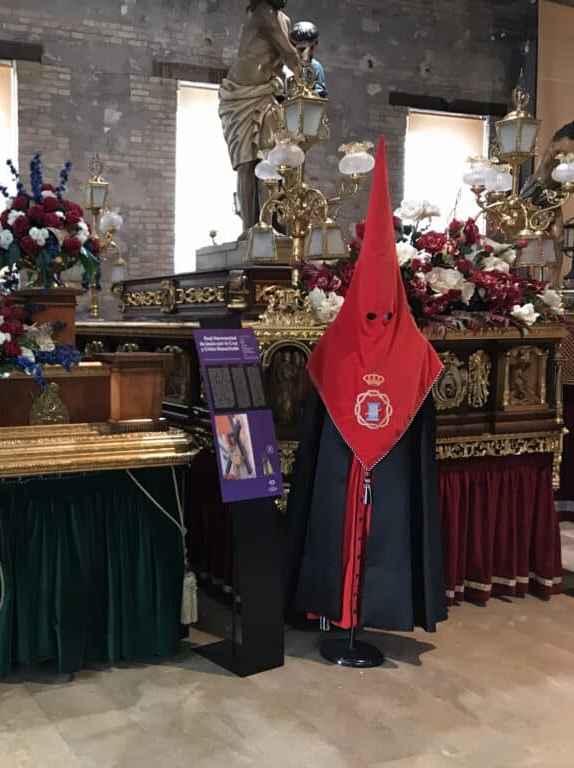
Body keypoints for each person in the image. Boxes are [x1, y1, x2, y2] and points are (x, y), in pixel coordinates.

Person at [283, 138, 448, 636]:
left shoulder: (417, 351)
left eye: (386, 311)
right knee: (334, 529)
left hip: (389, 475)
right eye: (367, 309)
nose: (377, 321)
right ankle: (330, 610)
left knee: (390, 531)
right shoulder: (335, 345)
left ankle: (378, 611)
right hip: (341, 472)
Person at [220, 0, 302, 235]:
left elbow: (279, 62)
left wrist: (288, 85)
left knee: (270, 157)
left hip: (266, 93)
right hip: (240, 93)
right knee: (246, 162)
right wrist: (309, 83)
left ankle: (266, 224)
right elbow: (288, 52)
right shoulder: (261, 11)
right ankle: (248, 228)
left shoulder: (285, 20)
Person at [288, 21, 327, 97]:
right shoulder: (283, 66)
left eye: (311, 48)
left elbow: (320, 97)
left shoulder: (316, 67)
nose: (307, 54)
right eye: (302, 49)